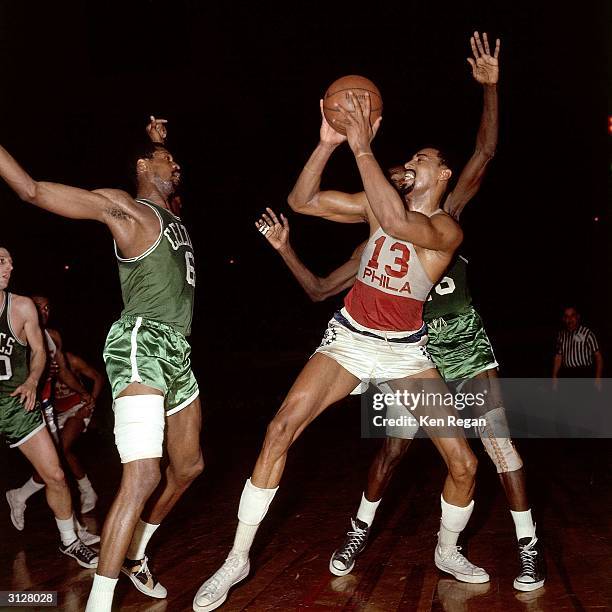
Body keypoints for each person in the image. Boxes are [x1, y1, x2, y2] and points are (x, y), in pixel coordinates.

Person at [193, 32, 496, 612]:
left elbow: (399, 222)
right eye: (406, 160)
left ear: (443, 172)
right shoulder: (378, 201)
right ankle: (236, 558)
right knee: (279, 429)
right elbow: (303, 199)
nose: (411, 163)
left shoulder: (446, 228)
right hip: (351, 341)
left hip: (406, 352)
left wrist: (363, 147)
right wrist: (328, 141)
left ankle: (447, 549)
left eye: (421, 160)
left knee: (463, 462)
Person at [0, 116, 203, 611]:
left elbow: (161, 173)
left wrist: (160, 143)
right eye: (165, 159)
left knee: (190, 466)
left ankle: (134, 554)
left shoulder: (170, 211)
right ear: (140, 166)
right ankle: (100, 602)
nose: (176, 165)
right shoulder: (124, 209)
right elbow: (31, 190)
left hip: (178, 348)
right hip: (142, 342)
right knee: (143, 475)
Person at [0, 248, 99, 569]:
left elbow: (40, 352)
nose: (10, 266)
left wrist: (31, 380)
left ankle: (70, 540)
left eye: (11, 261)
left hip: (18, 403)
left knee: (55, 474)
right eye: (2, 260)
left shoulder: (21, 307)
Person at [6, 339, 105, 526]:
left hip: (78, 408)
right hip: (54, 412)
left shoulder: (68, 358)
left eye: (47, 307)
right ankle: (84, 493)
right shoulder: (30, 358)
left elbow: (97, 377)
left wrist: (90, 401)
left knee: (63, 450)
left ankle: (87, 493)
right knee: (57, 460)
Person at [553, 305, 603, 388]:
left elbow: (598, 357)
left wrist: (598, 377)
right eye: (567, 317)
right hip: (567, 375)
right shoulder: (561, 335)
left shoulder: (587, 333)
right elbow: (558, 356)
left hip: (584, 374)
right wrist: (554, 376)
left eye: (572, 316)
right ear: (563, 319)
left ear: (578, 317)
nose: (570, 319)